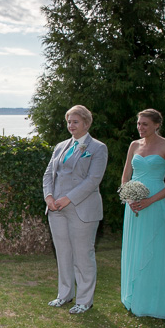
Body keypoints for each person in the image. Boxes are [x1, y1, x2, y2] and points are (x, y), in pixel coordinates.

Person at [42, 105, 108, 314]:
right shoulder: (60, 146)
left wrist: (68, 199)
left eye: (75, 121)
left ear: (86, 123)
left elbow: (93, 180)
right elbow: (48, 174)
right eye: (69, 121)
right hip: (56, 209)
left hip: (82, 209)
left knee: (82, 255)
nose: (71, 125)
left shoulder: (98, 148)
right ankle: (64, 294)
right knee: (63, 254)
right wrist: (49, 197)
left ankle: (84, 300)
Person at [120, 109, 165, 320]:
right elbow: (125, 177)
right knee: (134, 248)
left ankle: (151, 301)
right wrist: (129, 199)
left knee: (152, 249)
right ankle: (132, 296)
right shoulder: (134, 146)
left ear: (157, 125)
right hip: (134, 205)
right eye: (139, 124)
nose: (140, 128)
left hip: (155, 202)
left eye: (145, 124)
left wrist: (150, 200)